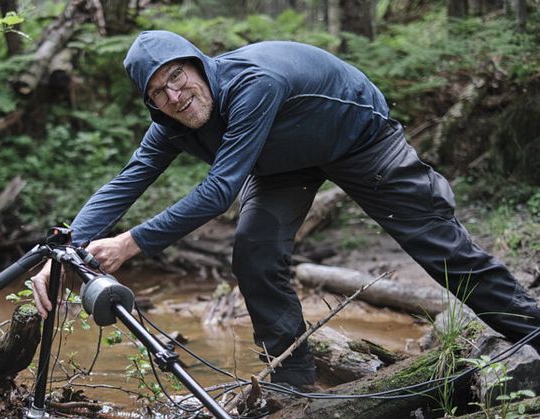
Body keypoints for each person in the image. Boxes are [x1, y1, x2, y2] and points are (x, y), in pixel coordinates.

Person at [32, 30, 540, 388]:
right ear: (152, 105)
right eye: (159, 93)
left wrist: (130, 242)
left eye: (179, 77)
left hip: (356, 136)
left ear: (198, 66)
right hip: (280, 163)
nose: (176, 95)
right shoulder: (170, 124)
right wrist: (64, 249)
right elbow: (126, 182)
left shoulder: (254, 83)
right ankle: (293, 384)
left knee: (438, 248)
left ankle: (530, 329)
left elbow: (219, 191)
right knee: (253, 253)